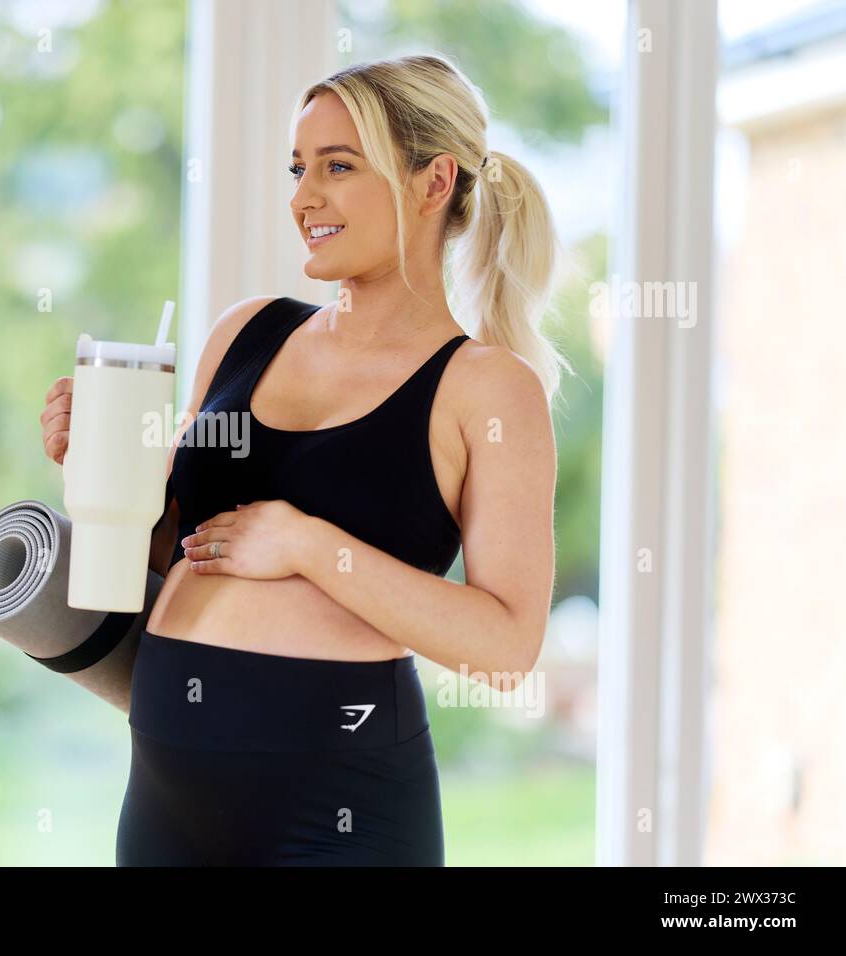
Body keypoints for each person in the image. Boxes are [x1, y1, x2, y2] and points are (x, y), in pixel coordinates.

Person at [41, 53, 561, 866]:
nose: (303, 197)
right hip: (167, 784)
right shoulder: (244, 333)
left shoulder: (488, 388)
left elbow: (506, 648)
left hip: (335, 801)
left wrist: (310, 546)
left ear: (432, 184)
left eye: (338, 166)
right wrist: (96, 468)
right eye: (298, 168)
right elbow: (171, 552)